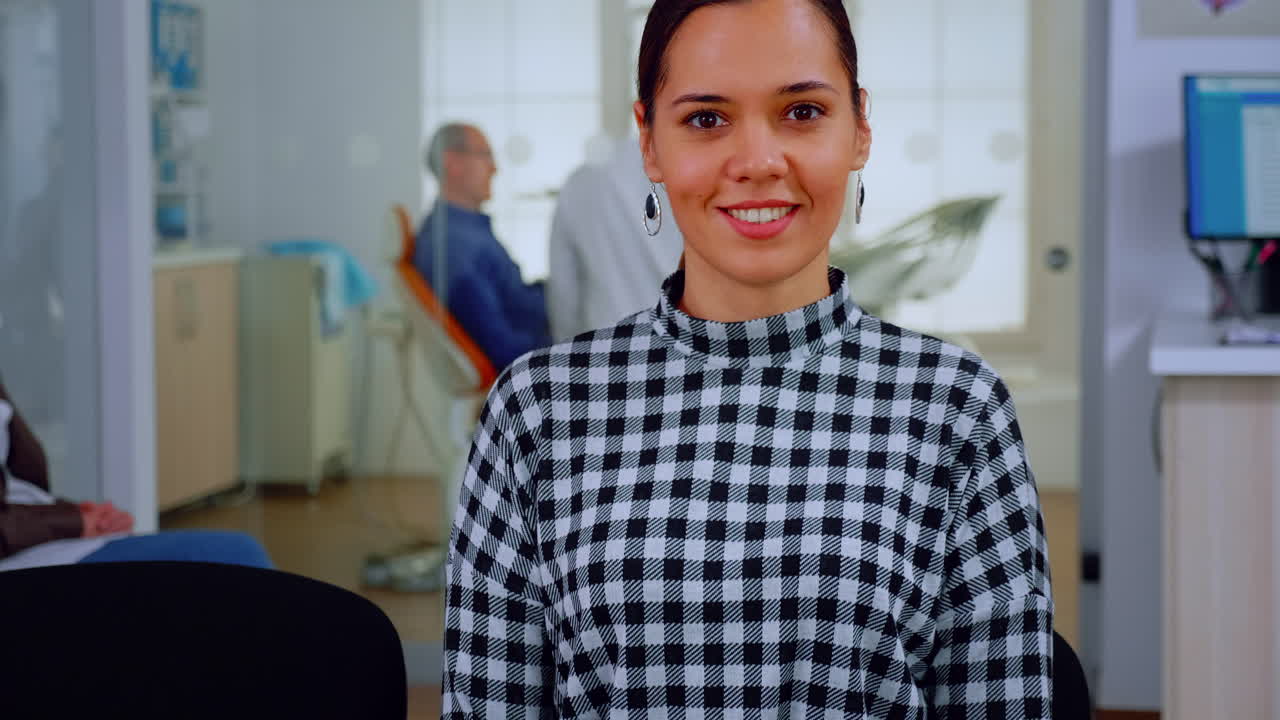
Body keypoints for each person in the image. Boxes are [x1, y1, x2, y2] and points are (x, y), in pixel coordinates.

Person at [442, 0, 1053, 717]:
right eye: (706, 119)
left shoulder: (955, 406)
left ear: (860, 127)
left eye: (801, 113)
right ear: (650, 143)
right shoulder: (538, 411)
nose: (758, 163)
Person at [0, 377, 272, 571]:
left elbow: (18, 478)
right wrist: (71, 521)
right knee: (236, 558)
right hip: (23, 554)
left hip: (36, 536)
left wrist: (78, 515)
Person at [414, 123, 551, 371]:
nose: (495, 169)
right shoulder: (452, 246)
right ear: (452, 163)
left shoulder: (465, 232)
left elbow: (512, 299)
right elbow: (501, 348)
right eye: (485, 155)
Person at [546, 137, 684, 340]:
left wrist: (566, 348)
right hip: (679, 345)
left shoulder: (581, 181)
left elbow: (563, 290)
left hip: (602, 347)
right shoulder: (693, 174)